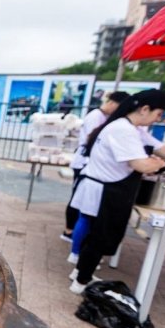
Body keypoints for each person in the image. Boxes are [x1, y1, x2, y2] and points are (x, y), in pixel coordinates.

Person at [68, 89, 165, 294]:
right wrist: (157, 163)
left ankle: (80, 273)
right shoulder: (123, 130)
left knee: (96, 236)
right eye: (159, 114)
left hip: (110, 189)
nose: (158, 119)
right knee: (99, 237)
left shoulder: (134, 129)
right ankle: (80, 282)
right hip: (106, 191)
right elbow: (141, 165)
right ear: (145, 109)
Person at [62, 91, 130, 253]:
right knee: (78, 202)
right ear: (113, 103)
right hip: (84, 164)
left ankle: (73, 234)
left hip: (87, 164)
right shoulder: (95, 117)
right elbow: (91, 142)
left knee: (82, 205)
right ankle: (69, 231)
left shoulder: (103, 118)